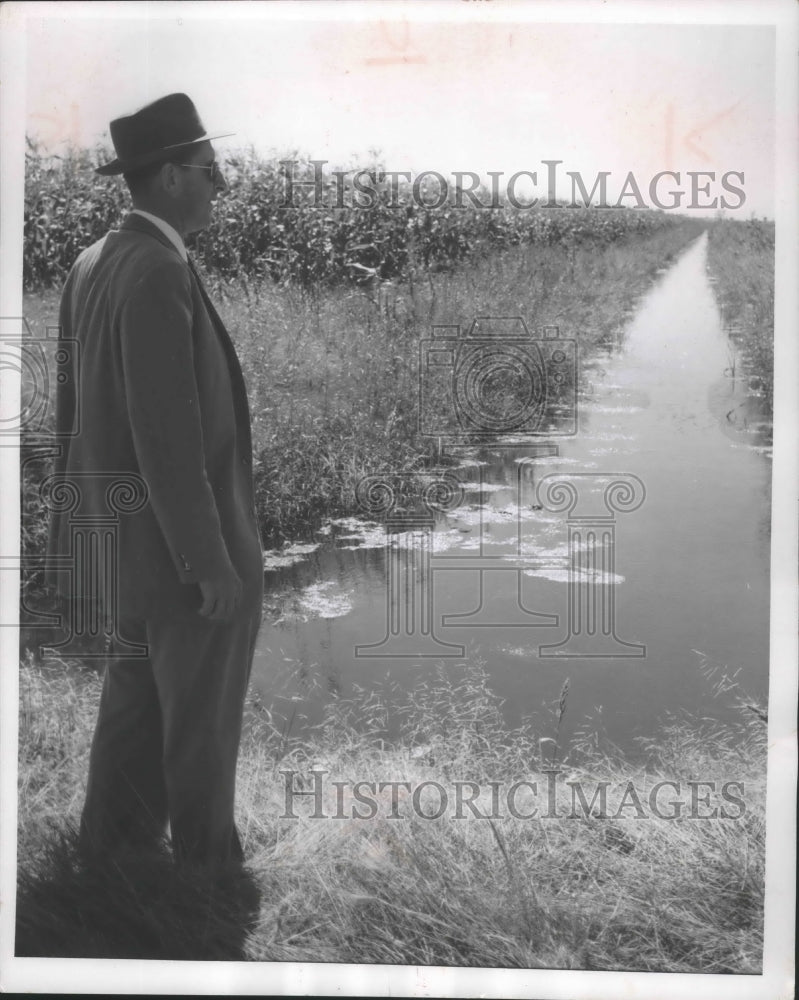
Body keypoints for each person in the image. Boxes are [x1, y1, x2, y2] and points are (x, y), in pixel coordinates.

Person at [45, 93, 264, 875]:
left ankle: (109, 849)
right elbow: (167, 442)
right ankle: (208, 870)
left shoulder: (93, 261)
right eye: (212, 170)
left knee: (133, 706)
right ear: (171, 178)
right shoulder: (158, 271)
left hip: (123, 550)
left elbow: (73, 416)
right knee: (199, 718)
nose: (222, 184)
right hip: (176, 554)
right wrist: (207, 561)